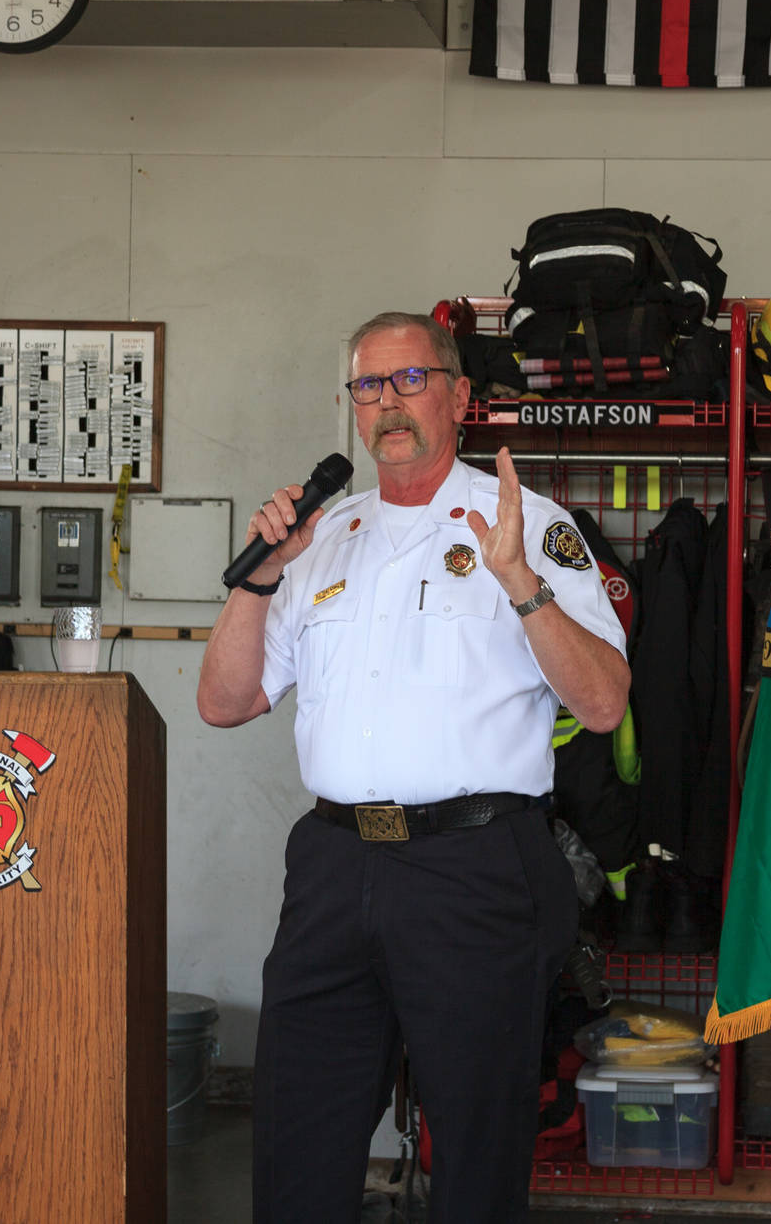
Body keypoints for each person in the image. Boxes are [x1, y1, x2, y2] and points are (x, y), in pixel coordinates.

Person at [197, 311, 631, 1223]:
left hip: (472, 872)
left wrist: (520, 583)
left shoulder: (530, 527)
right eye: (368, 385)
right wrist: (259, 577)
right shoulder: (322, 539)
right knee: (297, 1136)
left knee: (477, 1149)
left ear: (461, 396)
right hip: (334, 865)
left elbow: (603, 702)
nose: (388, 403)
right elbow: (225, 701)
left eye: (411, 380)